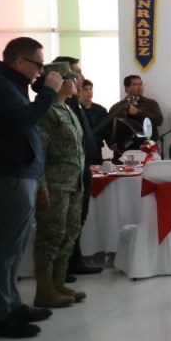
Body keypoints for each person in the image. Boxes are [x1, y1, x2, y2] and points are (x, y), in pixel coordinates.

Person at [0, 37, 62, 338]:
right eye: (38, 65)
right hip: (10, 173)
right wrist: (48, 92)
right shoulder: (1, 85)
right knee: (5, 248)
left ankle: (12, 305)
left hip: (23, 173)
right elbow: (23, 120)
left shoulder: (14, 86)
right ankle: (2, 314)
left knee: (15, 246)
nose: (41, 71)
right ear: (20, 62)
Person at [33, 62, 87, 309]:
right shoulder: (48, 112)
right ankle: (44, 290)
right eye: (72, 78)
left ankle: (59, 283)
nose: (77, 82)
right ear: (59, 81)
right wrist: (41, 185)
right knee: (50, 235)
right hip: (54, 184)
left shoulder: (67, 109)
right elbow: (40, 152)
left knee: (69, 233)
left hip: (73, 183)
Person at [51, 56, 103, 280]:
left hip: (82, 168)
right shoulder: (59, 104)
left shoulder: (72, 103)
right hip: (66, 172)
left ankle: (74, 261)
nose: (81, 78)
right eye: (77, 73)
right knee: (64, 223)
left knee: (77, 220)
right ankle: (63, 268)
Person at [106, 74, 164, 144]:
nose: (140, 87)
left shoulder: (151, 103)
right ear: (126, 88)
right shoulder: (116, 107)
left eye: (141, 84)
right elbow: (108, 127)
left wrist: (138, 113)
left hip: (147, 145)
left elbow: (159, 121)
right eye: (135, 85)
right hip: (123, 146)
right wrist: (110, 143)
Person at [78, 79, 109, 146]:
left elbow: (107, 129)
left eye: (91, 89)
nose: (89, 92)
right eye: (85, 89)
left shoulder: (101, 110)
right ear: (79, 92)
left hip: (97, 146)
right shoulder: (76, 109)